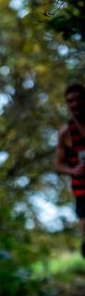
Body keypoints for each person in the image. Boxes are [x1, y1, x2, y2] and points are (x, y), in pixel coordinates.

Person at [54, 84, 85, 257]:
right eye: (69, 101)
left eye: (78, 99)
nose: (74, 104)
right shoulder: (65, 132)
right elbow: (57, 165)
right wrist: (73, 171)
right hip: (82, 191)